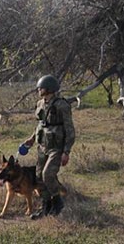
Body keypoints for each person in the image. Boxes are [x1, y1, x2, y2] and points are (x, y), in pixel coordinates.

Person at [23, 74, 75, 219]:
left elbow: (70, 129)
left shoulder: (62, 105)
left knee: (48, 175)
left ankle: (58, 202)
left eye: (41, 87)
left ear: (50, 89)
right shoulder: (40, 104)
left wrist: (66, 151)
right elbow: (41, 124)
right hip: (42, 145)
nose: (39, 89)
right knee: (39, 177)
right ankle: (46, 207)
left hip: (56, 148)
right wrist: (32, 139)